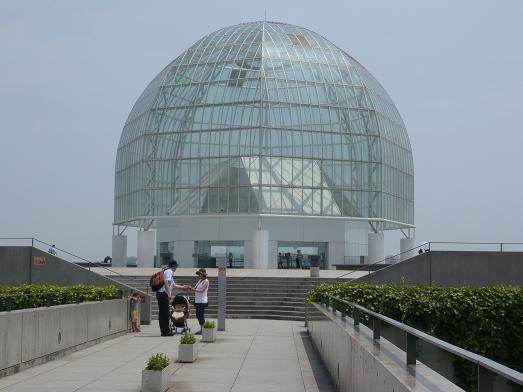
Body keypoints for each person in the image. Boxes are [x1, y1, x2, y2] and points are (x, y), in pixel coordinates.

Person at [156, 260, 187, 336]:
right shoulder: (169, 272)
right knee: (164, 314)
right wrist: (169, 293)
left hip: (162, 294)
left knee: (164, 313)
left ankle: (165, 331)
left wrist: (183, 286)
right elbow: (166, 282)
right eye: (176, 266)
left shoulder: (168, 272)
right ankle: (165, 332)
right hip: (163, 294)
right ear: (174, 267)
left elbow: (173, 284)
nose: (176, 268)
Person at [189, 268, 209, 335]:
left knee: (200, 315)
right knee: (198, 315)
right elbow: (195, 288)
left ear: (203, 274)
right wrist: (190, 287)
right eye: (198, 274)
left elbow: (202, 290)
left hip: (202, 301)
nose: (199, 275)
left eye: (200, 274)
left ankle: (203, 329)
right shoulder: (200, 280)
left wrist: (193, 290)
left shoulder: (206, 281)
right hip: (198, 300)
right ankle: (202, 329)